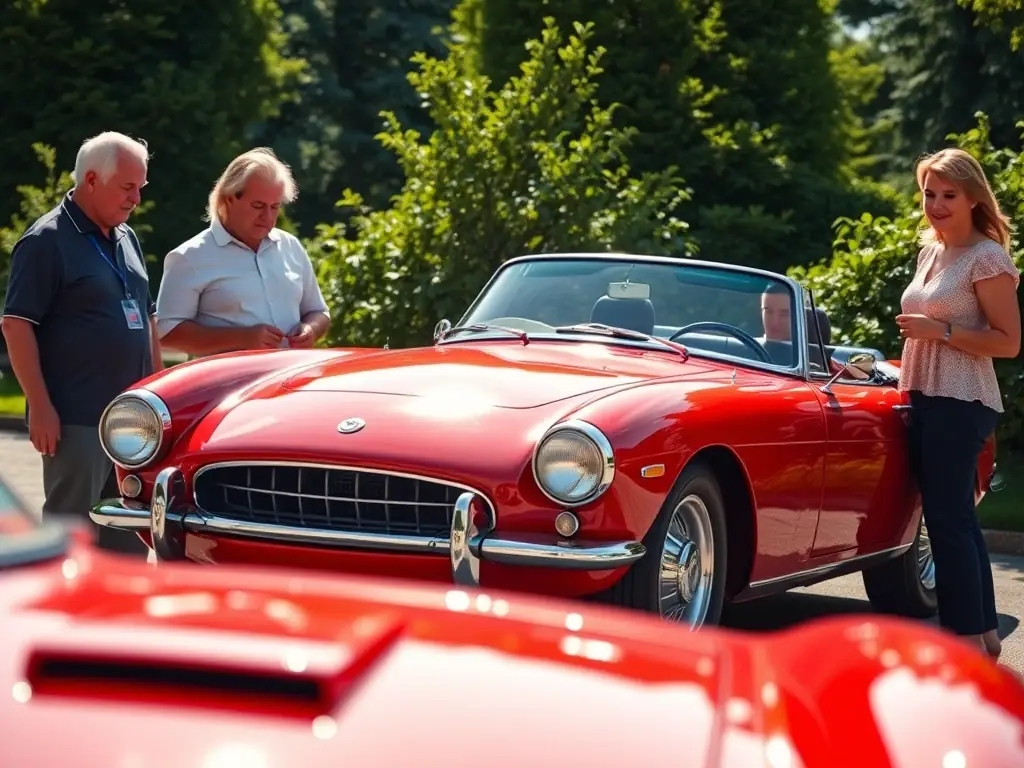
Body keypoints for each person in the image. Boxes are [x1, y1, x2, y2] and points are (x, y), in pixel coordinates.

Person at [1, 131, 160, 554]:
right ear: (91, 179)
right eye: (127, 188)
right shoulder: (45, 240)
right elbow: (16, 326)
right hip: (75, 421)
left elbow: (146, 318)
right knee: (74, 539)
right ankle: (63, 619)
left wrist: (161, 397)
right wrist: (41, 407)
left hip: (131, 426)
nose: (136, 200)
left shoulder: (127, 238)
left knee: (128, 540)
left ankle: (117, 619)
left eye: (140, 188)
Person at [896, 147, 1021, 661]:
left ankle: (964, 642)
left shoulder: (986, 257)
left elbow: (1009, 342)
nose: (937, 204)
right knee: (958, 521)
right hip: (925, 394)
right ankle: (984, 636)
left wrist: (940, 331)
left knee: (946, 522)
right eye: (929, 193)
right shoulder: (931, 252)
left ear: (973, 198)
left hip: (961, 398)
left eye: (949, 194)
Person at [155, 148, 330, 356]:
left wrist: (311, 330)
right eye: (258, 205)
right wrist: (241, 338)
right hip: (227, 385)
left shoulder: (290, 246)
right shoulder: (188, 257)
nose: (267, 216)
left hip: (289, 380)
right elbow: (167, 334)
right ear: (229, 198)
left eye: (274, 207)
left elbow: (319, 312)